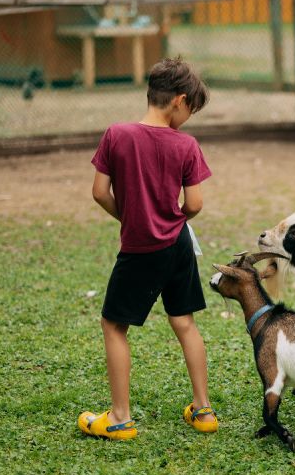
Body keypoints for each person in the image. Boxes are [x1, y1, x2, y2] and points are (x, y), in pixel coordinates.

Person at [78, 57, 217, 440]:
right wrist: (173, 216)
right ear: (179, 100)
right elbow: (194, 205)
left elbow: (98, 193)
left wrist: (130, 217)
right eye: (192, 109)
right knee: (184, 321)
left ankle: (120, 418)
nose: (189, 117)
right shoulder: (186, 145)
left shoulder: (116, 135)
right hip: (178, 245)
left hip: (139, 248)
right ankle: (203, 411)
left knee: (114, 324)